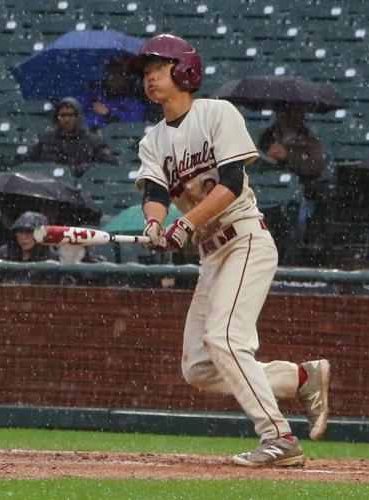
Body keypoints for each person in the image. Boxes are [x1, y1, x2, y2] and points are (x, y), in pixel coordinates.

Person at [129, 34, 331, 467]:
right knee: (199, 368)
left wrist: (184, 224)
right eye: (146, 73)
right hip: (211, 254)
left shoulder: (217, 113)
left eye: (158, 69)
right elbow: (155, 192)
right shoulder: (152, 141)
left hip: (244, 239)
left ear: (184, 71)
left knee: (225, 338)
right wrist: (153, 223)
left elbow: (232, 182)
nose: (150, 79)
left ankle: (279, 437)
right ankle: (299, 378)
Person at [258, 107, 326, 244]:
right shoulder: (268, 136)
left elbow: (315, 167)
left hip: (299, 196)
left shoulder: (309, 138)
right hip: (267, 190)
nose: (288, 116)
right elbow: (256, 163)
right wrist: (267, 155)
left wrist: (287, 155)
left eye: (293, 112)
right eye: (284, 112)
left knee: (298, 222)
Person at [22, 97, 118, 177]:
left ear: (78, 117)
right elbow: (29, 164)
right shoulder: (45, 140)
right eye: (62, 115)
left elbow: (109, 164)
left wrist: (76, 170)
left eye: (71, 115)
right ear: (57, 117)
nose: (66, 119)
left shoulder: (93, 141)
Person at [77, 55, 148, 131]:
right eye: (111, 72)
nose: (114, 77)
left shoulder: (134, 98)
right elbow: (78, 113)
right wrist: (92, 127)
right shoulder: (94, 93)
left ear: (127, 76)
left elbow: (135, 121)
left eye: (120, 73)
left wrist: (109, 113)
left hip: (119, 139)